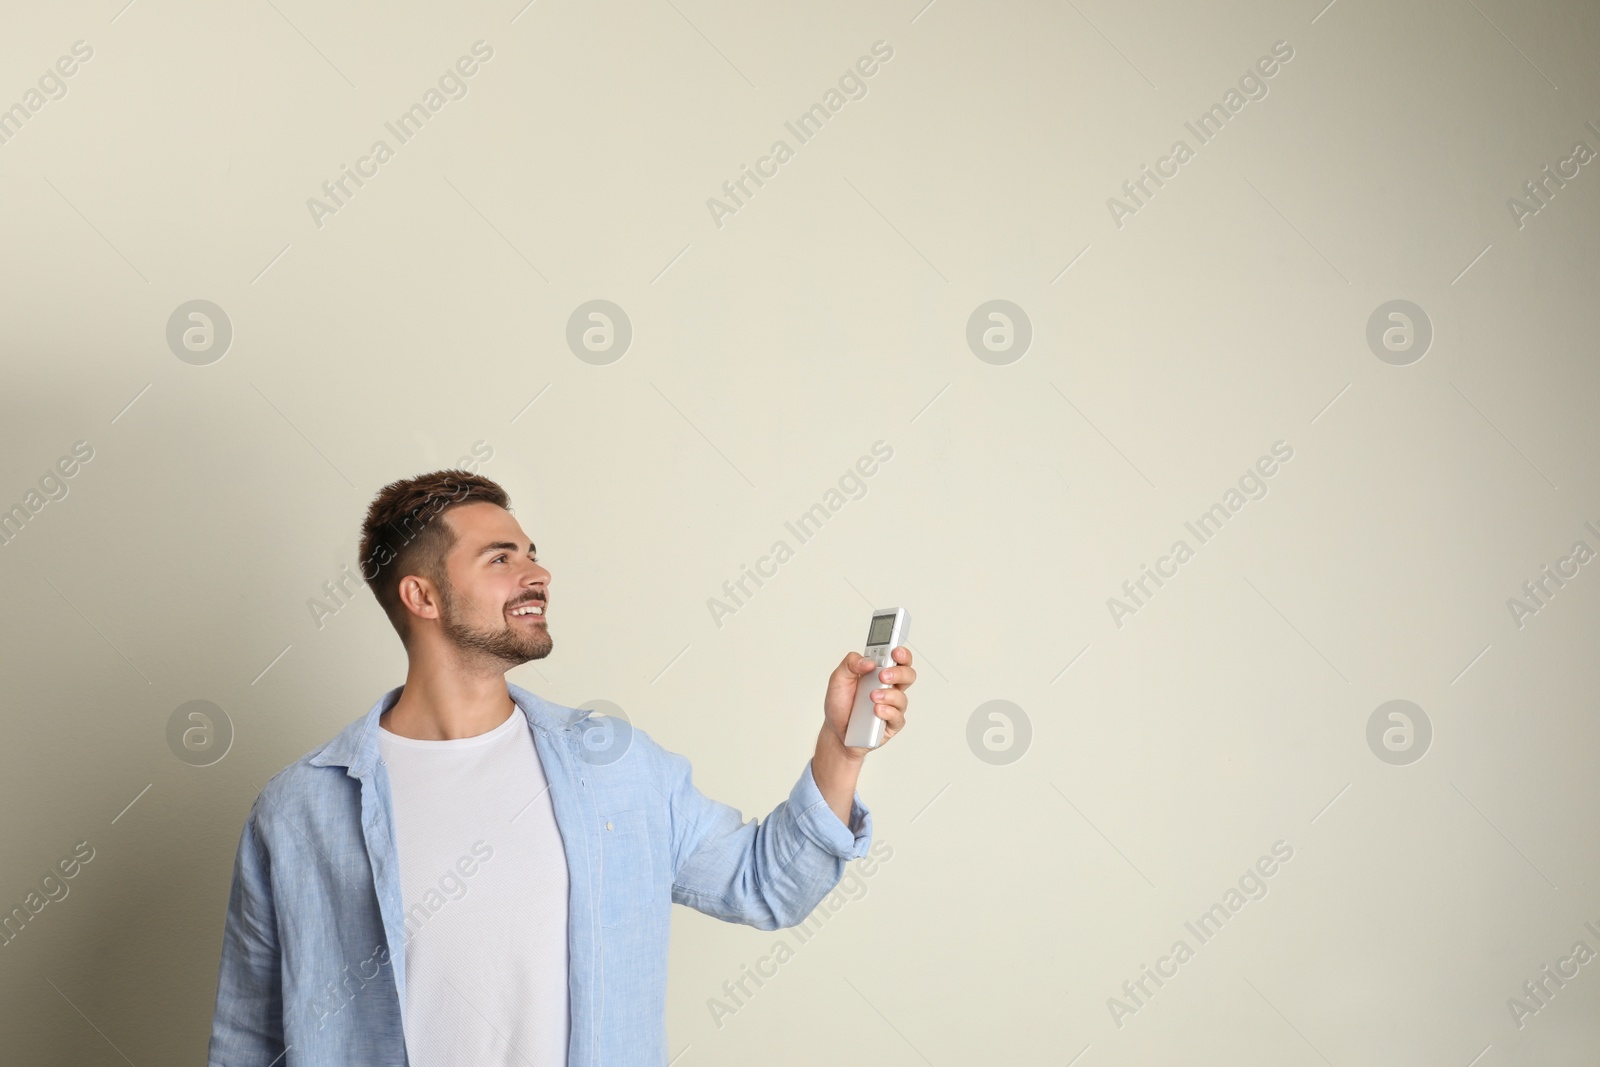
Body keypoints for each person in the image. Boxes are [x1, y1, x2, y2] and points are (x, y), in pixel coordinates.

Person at [205, 470, 916, 1066]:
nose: (536, 572)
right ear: (420, 595)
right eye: (500, 558)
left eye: (532, 553)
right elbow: (249, 1038)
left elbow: (765, 885)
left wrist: (841, 745)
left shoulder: (614, 767)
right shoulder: (299, 810)